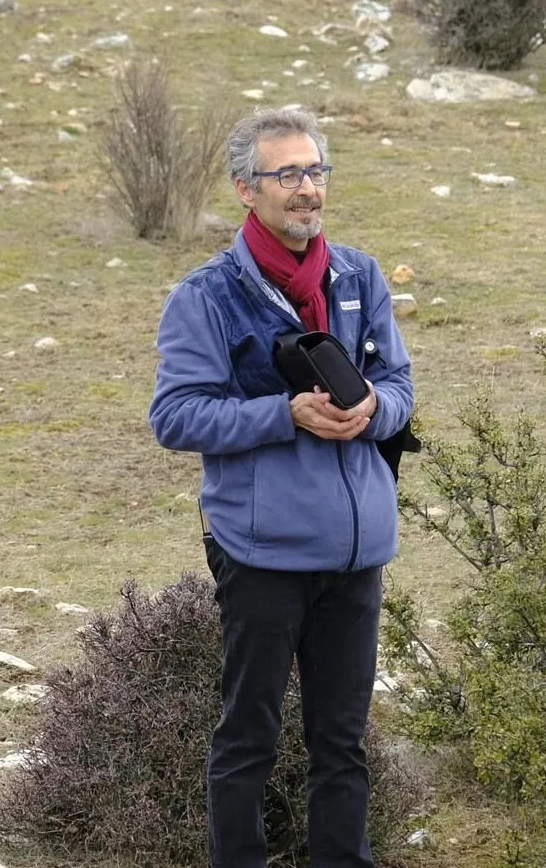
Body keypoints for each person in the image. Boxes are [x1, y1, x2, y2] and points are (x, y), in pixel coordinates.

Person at [148, 108, 415, 868]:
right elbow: (173, 415)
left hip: (358, 548)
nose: (308, 190)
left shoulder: (359, 275)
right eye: (288, 174)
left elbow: (399, 384)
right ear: (245, 187)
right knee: (248, 738)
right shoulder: (205, 296)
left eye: (316, 171)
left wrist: (374, 410)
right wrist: (285, 412)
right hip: (262, 550)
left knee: (342, 740)